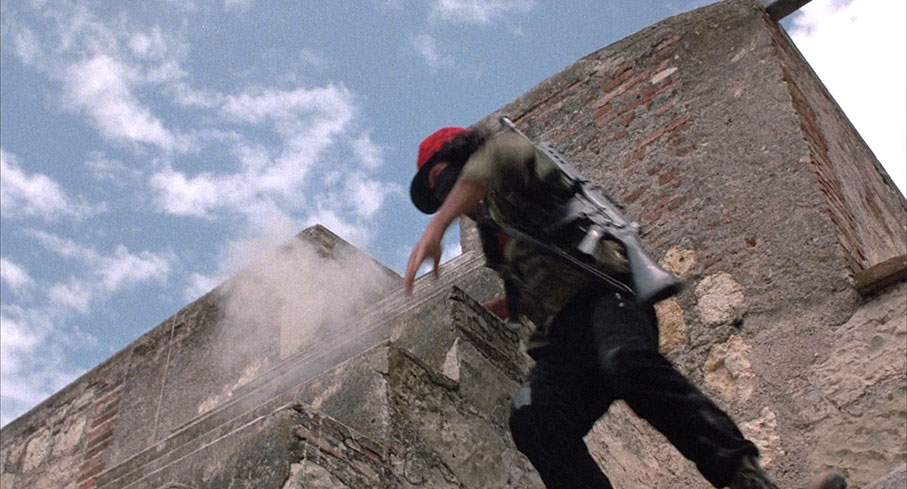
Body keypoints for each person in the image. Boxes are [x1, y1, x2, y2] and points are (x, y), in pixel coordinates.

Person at [403, 125, 846, 489]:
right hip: (563, 338)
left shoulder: (515, 165)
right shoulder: (497, 236)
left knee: (628, 363)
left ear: (466, 161)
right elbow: (534, 291)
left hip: (606, 297)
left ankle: (745, 479)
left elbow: (498, 157)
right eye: (441, 200)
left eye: (448, 184)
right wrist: (496, 308)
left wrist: (437, 228)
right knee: (534, 415)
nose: (450, 203)